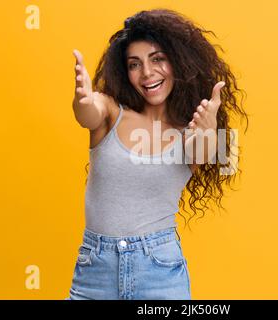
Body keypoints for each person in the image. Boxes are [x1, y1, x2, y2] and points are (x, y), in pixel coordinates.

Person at [66, 8, 249, 300]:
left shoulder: (195, 126)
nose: (147, 73)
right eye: (134, 64)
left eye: (157, 59)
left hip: (159, 271)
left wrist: (210, 129)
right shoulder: (111, 110)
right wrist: (82, 99)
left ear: (178, 61)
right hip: (94, 271)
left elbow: (212, 161)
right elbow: (87, 114)